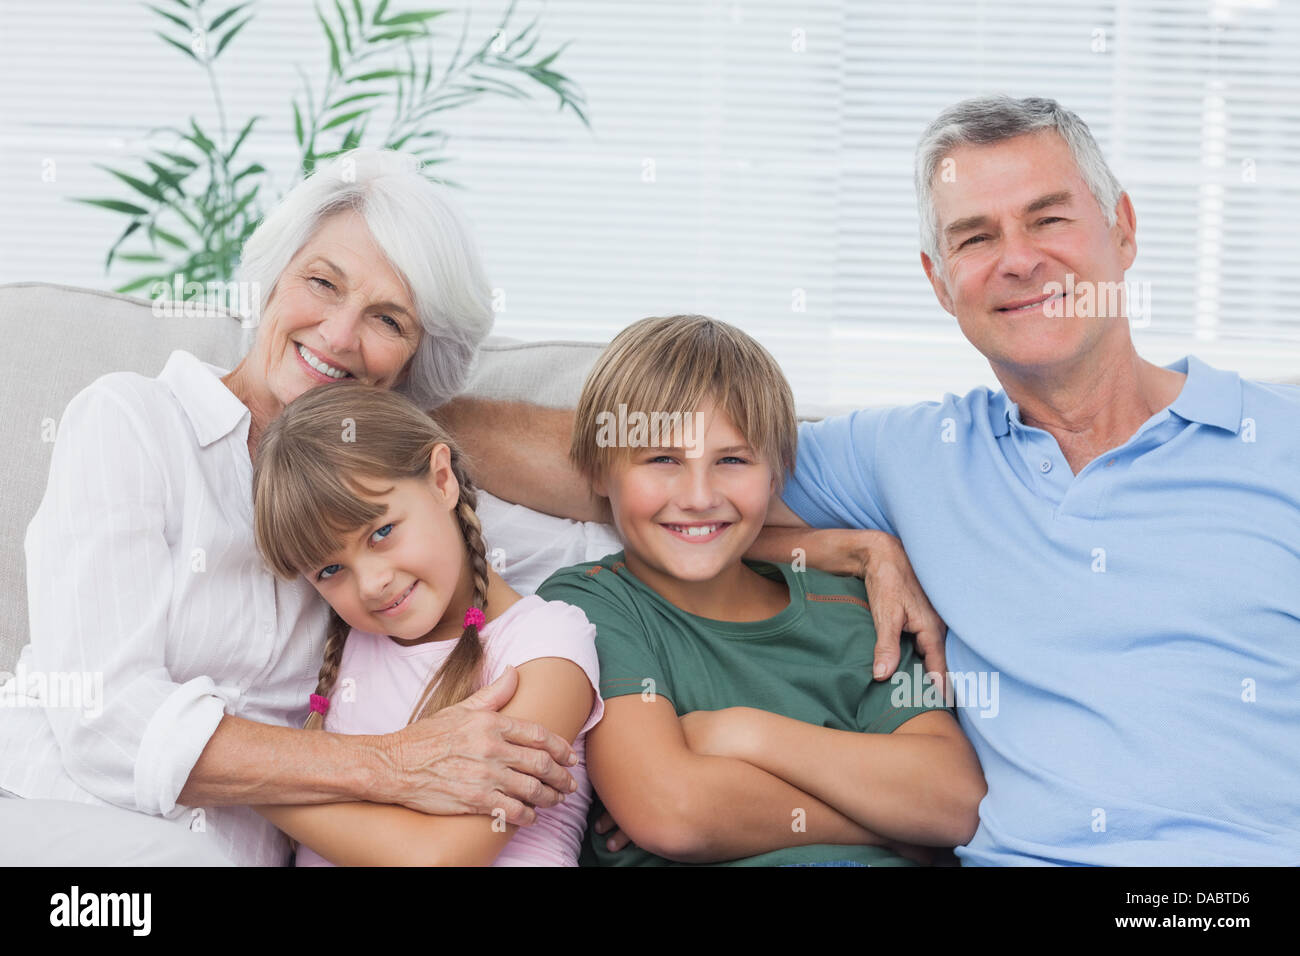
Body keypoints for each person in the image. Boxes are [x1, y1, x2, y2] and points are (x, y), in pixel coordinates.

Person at [434, 97, 1300, 866]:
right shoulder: (910, 454)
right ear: (938, 281)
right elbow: (669, 476)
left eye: (1048, 219)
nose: (1018, 260)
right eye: (975, 237)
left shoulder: (1277, 444)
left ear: (1125, 231)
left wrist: (735, 731)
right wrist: (846, 543)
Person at [0, 149, 587, 866]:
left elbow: (642, 516)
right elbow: (104, 717)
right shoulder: (129, 421)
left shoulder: (403, 505)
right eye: (321, 282)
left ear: (411, 366)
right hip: (52, 820)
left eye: (388, 321)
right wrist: (395, 762)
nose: (339, 336)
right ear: (274, 279)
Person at [534, 315, 986, 866]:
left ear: (777, 475)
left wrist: (739, 733)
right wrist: (892, 827)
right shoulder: (592, 606)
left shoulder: (850, 610)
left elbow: (958, 803)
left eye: (732, 460)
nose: (699, 496)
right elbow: (673, 811)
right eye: (662, 460)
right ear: (598, 473)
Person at [248, 384, 602, 866]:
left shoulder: (546, 643)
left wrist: (248, 778)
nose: (372, 584)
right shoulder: (348, 651)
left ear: (441, 481)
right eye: (330, 571)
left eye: (382, 532)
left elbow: (438, 858)